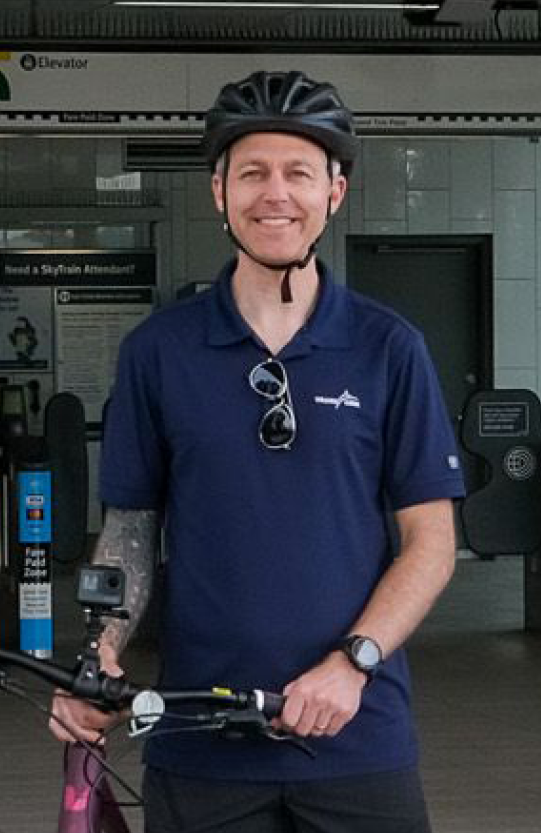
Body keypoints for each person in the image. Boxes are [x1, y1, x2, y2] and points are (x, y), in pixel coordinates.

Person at [60, 70, 467, 833]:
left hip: (357, 737)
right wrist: (102, 653)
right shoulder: (159, 351)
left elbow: (431, 542)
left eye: (297, 173)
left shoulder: (388, 348)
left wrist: (353, 664)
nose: (273, 193)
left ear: (334, 192)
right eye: (251, 172)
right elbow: (130, 527)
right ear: (218, 191)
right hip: (199, 741)